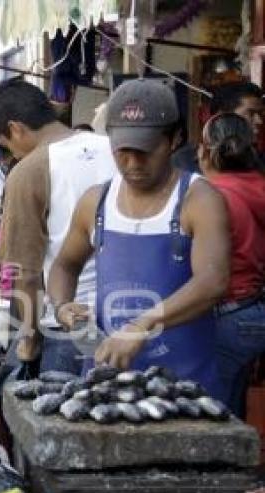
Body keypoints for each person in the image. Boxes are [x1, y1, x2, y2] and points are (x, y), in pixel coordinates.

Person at [48, 79, 231, 400]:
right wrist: (63, 306)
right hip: (108, 384)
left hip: (185, 386)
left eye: (145, 151)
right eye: (123, 152)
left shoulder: (199, 200)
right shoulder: (96, 202)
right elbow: (65, 265)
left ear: (175, 139)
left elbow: (212, 282)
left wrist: (141, 326)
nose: (133, 164)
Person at [0, 77, 117, 376]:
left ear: (16, 128)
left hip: (70, 325)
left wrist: (29, 342)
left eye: (8, 144)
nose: (13, 154)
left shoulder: (29, 171)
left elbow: (27, 274)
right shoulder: (115, 148)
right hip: (133, 318)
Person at [198, 112, 265, 416]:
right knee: (235, 409)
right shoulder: (259, 187)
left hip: (227, 313)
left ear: (206, 150)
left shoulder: (213, 197)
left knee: (215, 416)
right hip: (253, 310)